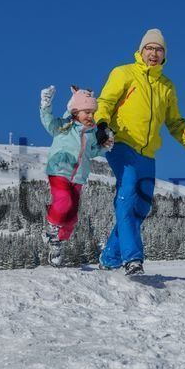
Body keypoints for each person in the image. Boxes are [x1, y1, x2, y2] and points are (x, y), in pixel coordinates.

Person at [93, 28, 185, 275]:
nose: (154, 53)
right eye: (149, 48)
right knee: (126, 198)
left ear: (164, 54)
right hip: (122, 145)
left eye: (159, 49)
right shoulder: (124, 73)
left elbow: (176, 124)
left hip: (147, 155)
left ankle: (109, 258)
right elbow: (105, 102)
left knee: (141, 208)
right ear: (141, 50)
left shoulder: (166, 87)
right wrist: (102, 125)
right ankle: (133, 259)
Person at [39, 85, 113, 267]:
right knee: (64, 201)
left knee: (72, 217)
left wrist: (105, 147)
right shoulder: (64, 126)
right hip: (59, 170)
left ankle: (57, 243)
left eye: (92, 113)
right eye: (86, 112)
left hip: (78, 177)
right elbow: (47, 120)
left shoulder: (92, 134)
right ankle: (51, 227)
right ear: (75, 111)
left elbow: (93, 151)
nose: (90, 116)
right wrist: (45, 103)